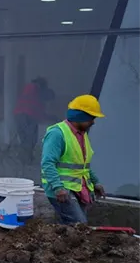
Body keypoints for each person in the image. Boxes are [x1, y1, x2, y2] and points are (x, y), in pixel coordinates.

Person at [40, 94, 107, 225]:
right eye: (91, 118)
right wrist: (58, 187)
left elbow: (82, 166)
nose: (93, 122)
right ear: (80, 116)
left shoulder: (82, 134)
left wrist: (95, 182)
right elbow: (47, 163)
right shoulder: (57, 134)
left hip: (78, 188)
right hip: (62, 190)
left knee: (72, 228)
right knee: (79, 225)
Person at [13, 77, 54, 161]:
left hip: (19, 115)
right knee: (30, 139)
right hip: (28, 116)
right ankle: (26, 158)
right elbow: (38, 111)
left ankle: (24, 158)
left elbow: (39, 112)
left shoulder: (29, 90)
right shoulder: (34, 89)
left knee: (25, 138)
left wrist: (50, 117)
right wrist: (51, 118)